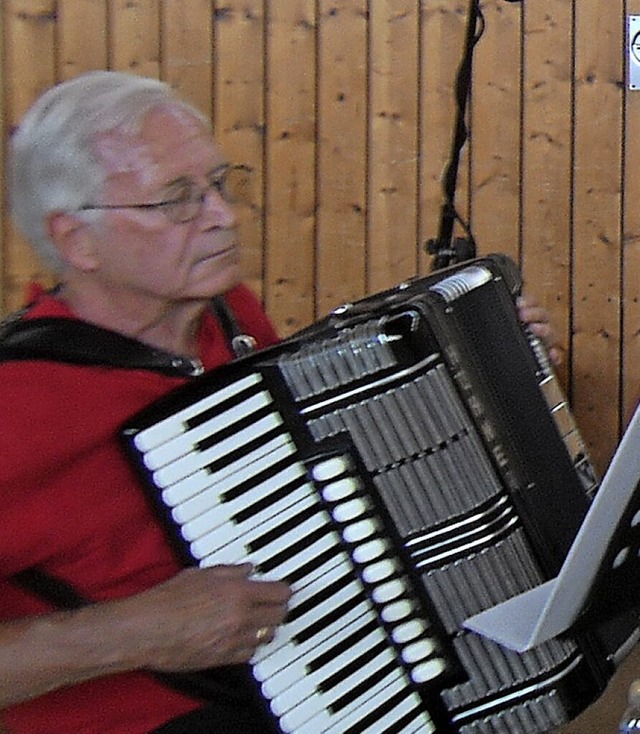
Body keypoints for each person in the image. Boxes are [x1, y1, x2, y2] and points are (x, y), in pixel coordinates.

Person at [0, 70, 558, 734]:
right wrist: (129, 632)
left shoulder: (226, 319)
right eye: (178, 199)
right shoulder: (19, 402)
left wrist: (490, 383)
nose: (223, 216)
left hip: (319, 689)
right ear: (75, 240)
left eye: (219, 184)